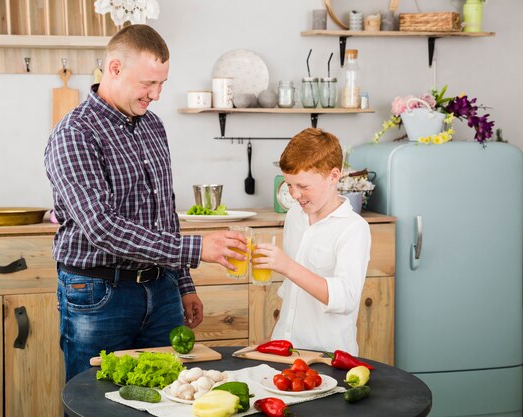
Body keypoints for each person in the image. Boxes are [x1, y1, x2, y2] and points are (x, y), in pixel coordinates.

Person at [43, 24, 247, 382]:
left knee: (170, 395)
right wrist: (195, 249)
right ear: (115, 68)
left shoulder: (153, 126)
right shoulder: (75, 133)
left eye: (162, 83)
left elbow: (163, 213)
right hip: (100, 294)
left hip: (161, 289)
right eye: (147, 83)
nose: (156, 94)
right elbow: (102, 228)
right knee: (97, 401)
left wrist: (184, 285)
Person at [251, 128, 371, 355]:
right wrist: (273, 338)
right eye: (289, 185)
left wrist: (287, 265)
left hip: (327, 357)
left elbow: (345, 299)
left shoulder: (353, 228)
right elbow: (291, 294)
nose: (295, 195)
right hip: (286, 350)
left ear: (334, 176)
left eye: (303, 186)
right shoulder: (294, 217)